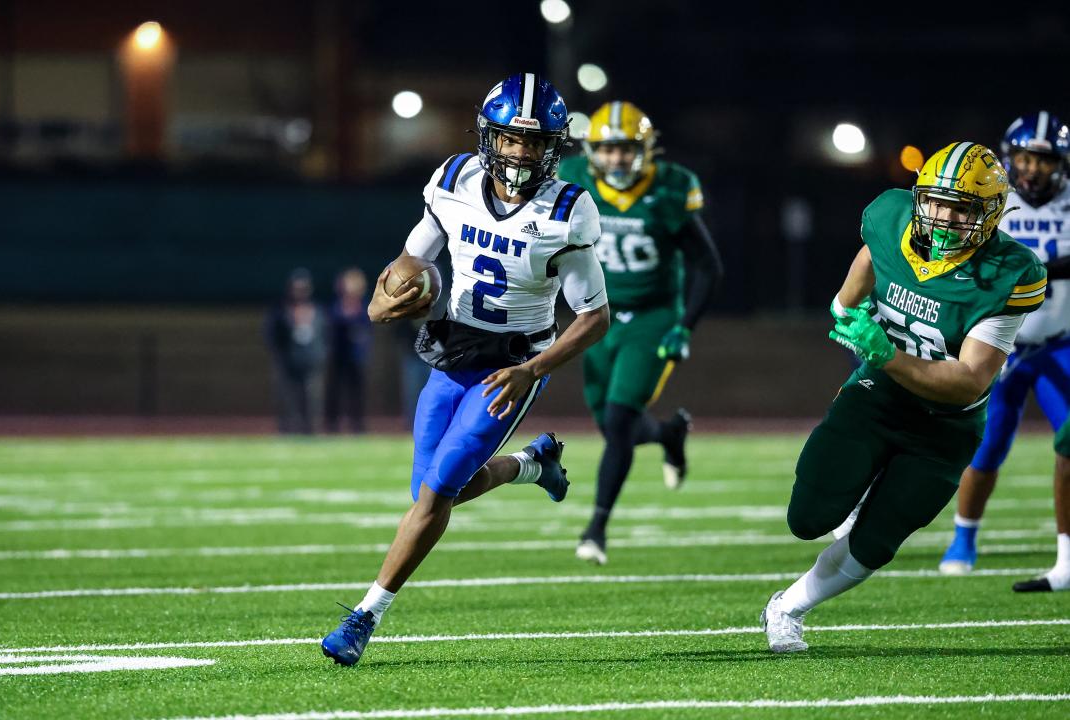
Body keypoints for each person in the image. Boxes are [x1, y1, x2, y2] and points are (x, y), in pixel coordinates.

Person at [320, 73, 609, 666]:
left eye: (534, 142)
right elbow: (412, 258)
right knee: (431, 490)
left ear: (553, 147)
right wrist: (382, 299)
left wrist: (533, 370)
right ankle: (533, 465)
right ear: (489, 137)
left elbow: (594, 317)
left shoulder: (567, 210)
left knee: (436, 491)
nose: (521, 153)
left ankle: (364, 617)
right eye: (511, 138)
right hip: (453, 351)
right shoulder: (454, 180)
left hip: (513, 364)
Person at [761, 141, 1047, 653]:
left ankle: (787, 608)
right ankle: (857, 491)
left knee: (875, 543)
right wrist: (844, 306)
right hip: (879, 397)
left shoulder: (1008, 273)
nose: (943, 217)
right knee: (806, 519)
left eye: (961, 208)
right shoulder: (891, 217)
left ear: (990, 215)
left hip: (946, 425)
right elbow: (870, 261)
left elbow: (970, 379)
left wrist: (886, 354)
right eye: (935, 201)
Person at [557, 101, 723, 565]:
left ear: (645, 150)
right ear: (591, 152)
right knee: (613, 425)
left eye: (626, 148)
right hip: (597, 316)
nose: (616, 159)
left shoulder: (670, 189)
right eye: (608, 149)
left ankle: (596, 528)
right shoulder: (573, 179)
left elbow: (708, 266)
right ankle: (669, 434)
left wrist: (684, 327)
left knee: (618, 424)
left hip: (652, 318)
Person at [938, 112, 1070, 592]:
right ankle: (963, 537)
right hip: (1002, 344)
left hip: (1060, 343)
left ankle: (1066, 555)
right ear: (1010, 158)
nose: (1032, 169)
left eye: (1043, 160)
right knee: (988, 444)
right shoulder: (994, 199)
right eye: (1025, 158)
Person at [264, 268, 328, 434]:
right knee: (288, 401)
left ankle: (311, 432)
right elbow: (271, 336)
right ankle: (287, 432)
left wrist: (321, 355)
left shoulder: (318, 311)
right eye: (296, 288)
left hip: (312, 362)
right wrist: (280, 356)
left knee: (312, 400)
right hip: (288, 363)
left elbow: (326, 335)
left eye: (303, 288)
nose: (300, 292)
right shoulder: (280, 311)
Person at [325, 268, 372, 434]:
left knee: (357, 392)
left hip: (356, 356)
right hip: (338, 355)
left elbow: (367, 329)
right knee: (335, 390)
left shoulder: (364, 307)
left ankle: (357, 424)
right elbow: (331, 328)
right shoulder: (336, 307)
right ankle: (332, 424)